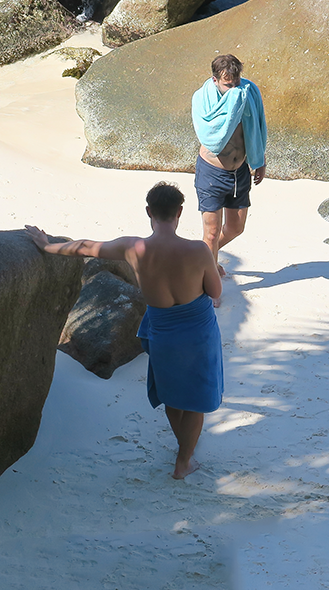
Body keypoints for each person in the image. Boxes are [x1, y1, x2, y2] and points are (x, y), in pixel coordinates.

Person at [26, 182, 224, 480]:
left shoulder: (133, 248)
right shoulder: (197, 250)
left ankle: (183, 449)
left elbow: (85, 247)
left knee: (172, 395)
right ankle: (184, 460)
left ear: (149, 212)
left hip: (163, 333)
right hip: (197, 333)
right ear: (180, 212)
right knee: (195, 400)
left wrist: (46, 245)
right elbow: (215, 290)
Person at [192, 53, 267, 276]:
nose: (234, 90)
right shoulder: (202, 99)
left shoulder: (248, 93)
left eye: (236, 84)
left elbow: (259, 125)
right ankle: (209, 277)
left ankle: (201, 256)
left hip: (240, 172)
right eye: (227, 85)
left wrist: (259, 159)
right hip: (212, 173)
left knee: (235, 228)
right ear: (215, 80)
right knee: (212, 233)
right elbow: (208, 134)